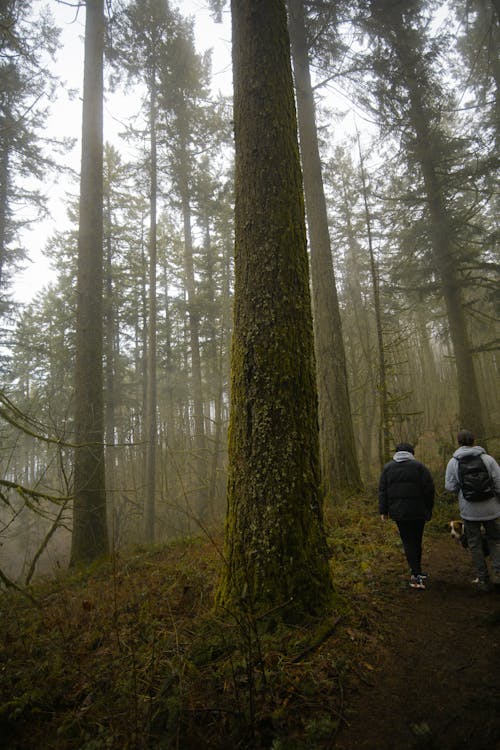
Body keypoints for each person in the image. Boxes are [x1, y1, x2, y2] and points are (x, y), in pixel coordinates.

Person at [445, 429, 500, 592]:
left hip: (469, 512)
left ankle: (483, 580)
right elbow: (498, 483)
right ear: (474, 441)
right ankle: (499, 575)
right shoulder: (487, 459)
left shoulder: (453, 462)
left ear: (459, 442)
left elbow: (449, 487)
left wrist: (462, 491)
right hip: (491, 509)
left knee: (474, 545)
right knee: (495, 540)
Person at [379, 442, 435, 590]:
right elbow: (429, 489)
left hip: (399, 513)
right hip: (418, 512)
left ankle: (416, 574)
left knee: (408, 541)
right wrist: (428, 509)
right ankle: (417, 572)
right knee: (417, 540)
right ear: (411, 452)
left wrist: (383, 511)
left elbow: (383, 491)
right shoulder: (419, 467)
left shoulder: (388, 468)